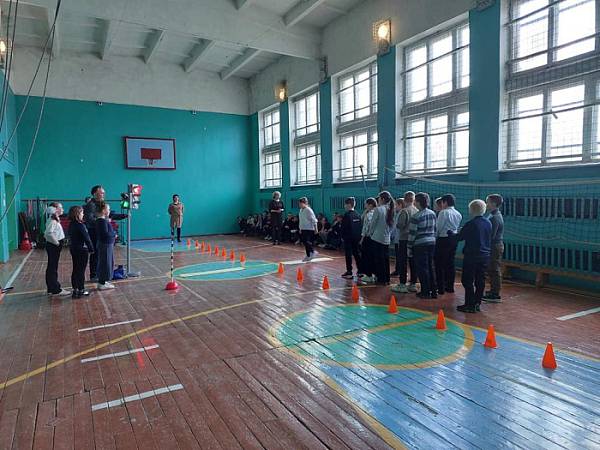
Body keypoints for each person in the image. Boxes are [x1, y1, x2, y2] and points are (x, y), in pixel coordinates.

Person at [457, 199, 492, 313]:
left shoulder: (471, 224)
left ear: (471, 210)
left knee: (467, 280)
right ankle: (477, 303)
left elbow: (460, 237)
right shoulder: (488, 222)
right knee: (480, 280)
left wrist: (451, 234)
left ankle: (470, 304)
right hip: (484, 255)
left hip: (472, 256)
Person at [408, 193, 437, 299]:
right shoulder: (432, 213)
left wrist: (409, 247)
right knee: (430, 266)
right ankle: (433, 291)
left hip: (420, 244)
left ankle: (425, 291)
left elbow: (412, 234)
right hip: (431, 242)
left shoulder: (416, 216)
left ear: (418, 202)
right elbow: (435, 229)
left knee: (422, 269)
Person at [434, 194, 462, 295]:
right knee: (450, 263)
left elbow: (438, 227)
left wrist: (435, 237)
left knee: (439, 264)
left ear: (445, 202)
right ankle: (449, 286)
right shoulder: (458, 213)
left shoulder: (444, 212)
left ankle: (440, 287)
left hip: (443, 239)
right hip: (453, 239)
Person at [391, 192, 418, 294]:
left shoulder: (404, 211)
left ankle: (402, 284)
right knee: (413, 261)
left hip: (404, 239)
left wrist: (397, 224)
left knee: (403, 261)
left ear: (405, 199)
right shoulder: (417, 210)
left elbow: (401, 225)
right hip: (414, 239)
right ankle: (413, 284)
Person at [368, 191, 394, 285]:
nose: (378, 200)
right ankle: (387, 278)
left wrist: (370, 233)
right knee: (386, 259)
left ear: (382, 199)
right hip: (386, 238)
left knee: (379, 259)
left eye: (379, 198)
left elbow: (373, 223)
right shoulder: (391, 209)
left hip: (377, 237)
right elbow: (392, 226)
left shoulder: (378, 209)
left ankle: (381, 279)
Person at [44, 203, 70, 297]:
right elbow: (48, 233)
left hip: (54, 245)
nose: (62, 209)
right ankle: (55, 289)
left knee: (52, 267)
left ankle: (51, 288)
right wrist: (57, 243)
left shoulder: (55, 219)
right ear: (55, 209)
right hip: (53, 246)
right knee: (52, 267)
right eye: (60, 207)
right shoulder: (52, 221)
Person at [68, 206, 94, 298]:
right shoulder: (80, 225)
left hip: (73, 248)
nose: (83, 214)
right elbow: (86, 238)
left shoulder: (71, 224)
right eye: (82, 213)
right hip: (82, 250)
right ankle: (81, 289)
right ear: (77, 214)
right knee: (81, 270)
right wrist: (91, 249)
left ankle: (75, 289)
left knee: (75, 269)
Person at [483, 194, 504, 303]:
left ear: (494, 203)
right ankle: (493, 290)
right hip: (493, 245)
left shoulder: (495, 217)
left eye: (488, 202)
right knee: (491, 269)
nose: (486, 204)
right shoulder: (492, 215)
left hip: (494, 246)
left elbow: (491, 235)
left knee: (494, 269)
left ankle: (495, 294)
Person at [95, 201, 116, 290]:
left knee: (107, 262)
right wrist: (114, 234)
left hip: (106, 244)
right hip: (105, 245)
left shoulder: (103, 220)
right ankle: (102, 283)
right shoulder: (101, 221)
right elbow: (105, 234)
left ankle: (103, 281)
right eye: (108, 209)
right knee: (105, 263)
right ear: (104, 210)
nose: (109, 211)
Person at [341, 197, 362, 279]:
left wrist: (343, 237)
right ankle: (360, 271)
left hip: (348, 238)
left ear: (349, 205)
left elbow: (344, 228)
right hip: (357, 238)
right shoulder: (357, 214)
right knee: (357, 254)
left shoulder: (347, 215)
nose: (344, 206)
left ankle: (349, 272)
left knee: (348, 255)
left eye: (345, 204)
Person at [359, 198, 378, 283]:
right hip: (375, 238)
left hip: (368, 238)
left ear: (370, 205)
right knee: (374, 257)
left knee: (367, 257)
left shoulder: (369, 214)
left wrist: (362, 239)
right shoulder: (377, 213)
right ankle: (375, 274)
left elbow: (366, 228)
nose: (365, 206)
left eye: (366, 204)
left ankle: (369, 275)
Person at [298, 197, 318, 262]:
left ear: (305, 203)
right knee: (304, 242)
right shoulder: (301, 210)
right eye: (299, 203)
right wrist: (300, 228)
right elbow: (301, 220)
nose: (300, 205)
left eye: (301, 203)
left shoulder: (308, 210)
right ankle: (308, 255)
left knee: (307, 241)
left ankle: (313, 251)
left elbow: (313, 219)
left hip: (309, 228)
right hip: (303, 228)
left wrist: (316, 228)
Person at [390, 197, 405, 276]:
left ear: (400, 205)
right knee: (399, 255)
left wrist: (391, 235)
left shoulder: (401, 214)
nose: (395, 207)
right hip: (398, 238)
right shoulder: (398, 214)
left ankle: (399, 271)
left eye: (396, 205)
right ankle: (398, 270)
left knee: (400, 256)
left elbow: (396, 226)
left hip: (399, 238)